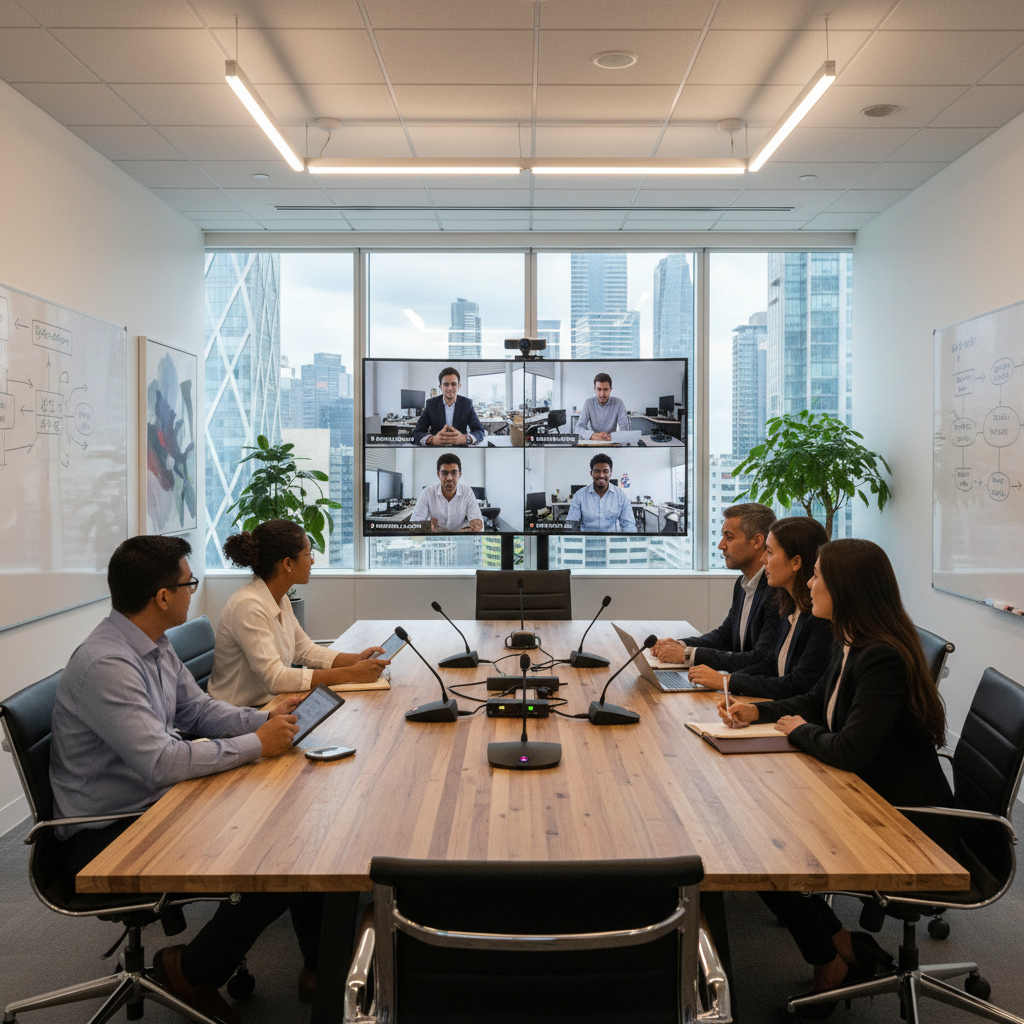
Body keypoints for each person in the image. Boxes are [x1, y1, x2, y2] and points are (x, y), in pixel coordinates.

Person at [49, 535, 319, 1024]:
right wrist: (257, 745)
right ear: (162, 597)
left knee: (292, 828)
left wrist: (262, 720)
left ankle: (321, 967)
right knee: (272, 862)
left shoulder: (153, 643)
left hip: (155, 803)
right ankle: (191, 971)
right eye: (189, 583)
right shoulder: (109, 665)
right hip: (107, 832)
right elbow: (162, 762)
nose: (193, 591)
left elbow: (196, 711)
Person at [717, 538, 953, 1008]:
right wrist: (758, 712)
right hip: (864, 795)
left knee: (762, 850)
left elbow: (849, 749)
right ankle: (841, 946)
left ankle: (831, 961)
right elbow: (814, 700)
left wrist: (798, 730)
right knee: (758, 838)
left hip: (905, 821)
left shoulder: (881, 656)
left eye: (818, 576)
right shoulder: (851, 641)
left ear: (846, 588)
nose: (809, 583)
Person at [209, 519, 388, 708]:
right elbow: (276, 679)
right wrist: (350, 674)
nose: (312, 561)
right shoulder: (248, 606)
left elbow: (304, 649)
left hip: (271, 704)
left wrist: (355, 660)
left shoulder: (280, 597)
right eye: (308, 554)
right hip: (238, 714)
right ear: (288, 563)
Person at [688, 516, 832, 699]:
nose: (763, 559)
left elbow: (797, 684)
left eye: (769, 552)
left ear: (796, 562)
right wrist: (726, 680)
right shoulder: (788, 606)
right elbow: (771, 664)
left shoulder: (820, 619)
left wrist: (727, 681)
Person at [653, 502, 779, 670]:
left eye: (729, 537)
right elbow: (725, 636)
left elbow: (760, 659)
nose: (721, 545)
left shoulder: (776, 591)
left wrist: (688, 655)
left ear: (757, 541)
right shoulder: (742, 584)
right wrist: (680, 645)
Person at [409, 452, 484, 532]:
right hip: (435, 537)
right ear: (438, 474)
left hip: (460, 536)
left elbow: (478, 524)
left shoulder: (467, 492)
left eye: (454, 473)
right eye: (444, 473)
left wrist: (474, 526)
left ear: (459, 474)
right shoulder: (427, 492)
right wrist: (427, 527)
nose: (449, 478)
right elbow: (414, 524)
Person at [412, 366, 485, 446]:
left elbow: (479, 431)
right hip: (437, 449)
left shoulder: (467, 404)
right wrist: (432, 440)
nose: (450, 388)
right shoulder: (431, 404)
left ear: (459, 386)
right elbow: (417, 432)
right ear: (440, 387)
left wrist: (465, 439)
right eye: (446, 384)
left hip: (460, 449)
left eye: (453, 384)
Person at [565, 453, 637, 532]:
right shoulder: (579, 495)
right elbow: (572, 525)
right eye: (597, 471)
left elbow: (629, 525)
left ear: (610, 473)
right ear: (591, 473)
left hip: (612, 538)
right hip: (588, 539)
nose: (601, 475)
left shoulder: (620, 495)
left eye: (605, 471)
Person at [576, 372, 628, 441]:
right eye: (599, 389)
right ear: (594, 389)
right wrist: (592, 435)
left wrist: (613, 437)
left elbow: (625, 428)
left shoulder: (618, 403)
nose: (602, 394)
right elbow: (579, 428)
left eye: (605, 389)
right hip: (594, 441)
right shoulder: (588, 403)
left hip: (611, 441)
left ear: (610, 389)